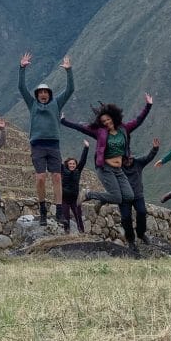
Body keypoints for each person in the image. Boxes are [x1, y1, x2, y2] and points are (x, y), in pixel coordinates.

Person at [61, 94, 153, 253]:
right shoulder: (100, 132)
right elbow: (81, 127)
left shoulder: (124, 129)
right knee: (117, 198)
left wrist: (148, 106)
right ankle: (89, 194)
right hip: (104, 168)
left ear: (114, 117)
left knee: (130, 195)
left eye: (108, 120)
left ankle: (102, 199)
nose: (107, 123)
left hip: (118, 169)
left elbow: (138, 120)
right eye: (103, 122)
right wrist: (64, 121)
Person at [18, 52, 74, 226]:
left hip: (54, 145)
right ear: (37, 94)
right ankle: (42, 210)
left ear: (49, 93)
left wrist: (68, 71)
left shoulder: (57, 103)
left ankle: (58, 211)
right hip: (37, 145)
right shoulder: (32, 104)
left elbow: (70, 89)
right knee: (40, 178)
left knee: (57, 177)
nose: (43, 94)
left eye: (45, 92)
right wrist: (22, 69)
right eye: (40, 92)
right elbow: (22, 88)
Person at [123, 137, 159, 243]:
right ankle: (130, 241)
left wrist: (155, 149)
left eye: (130, 158)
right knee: (125, 218)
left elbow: (148, 157)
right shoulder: (118, 166)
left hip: (138, 195)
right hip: (124, 197)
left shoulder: (138, 162)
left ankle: (141, 233)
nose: (128, 161)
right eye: (126, 159)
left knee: (142, 212)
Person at [59, 141, 90, 233]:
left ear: (76, 165)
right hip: (64, 198)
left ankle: (82, 232)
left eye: (73, 164)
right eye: (70, 164)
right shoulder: (63, 170)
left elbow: (83, 160)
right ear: (67, 164)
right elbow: (57, 159)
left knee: (78, 216)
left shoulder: (78, 171)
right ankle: (67, 232)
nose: (72, 165)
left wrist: (86, 148)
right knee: (66, 216)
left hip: (74, 199)